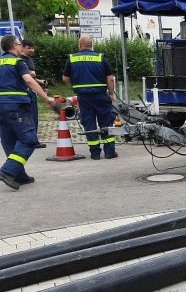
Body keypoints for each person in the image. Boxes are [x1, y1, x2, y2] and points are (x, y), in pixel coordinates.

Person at [0, 34, 56, 190]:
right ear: (13, 46)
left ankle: (19, 175)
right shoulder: (19, 62)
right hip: (16, 106)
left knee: (9, 140)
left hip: (1, 107)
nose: (20, 46)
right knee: (29, 139)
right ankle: (7, 171)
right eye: (19, 44)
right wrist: (46, 97)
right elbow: (29, 81)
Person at [62, 36, 118, 160]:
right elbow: (110, 78)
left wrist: (75, 87)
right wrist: (111, 93)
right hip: (100, 96)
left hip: (83, 97)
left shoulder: (72, 58)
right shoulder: (100, 57)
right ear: (91, 45)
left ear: (79, 45)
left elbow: (65, 78)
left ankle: (95, 153)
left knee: (89, 124)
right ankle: (109, 152)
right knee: (106, 122)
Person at [20, 40, 47, 149]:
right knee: (29, 117)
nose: (31, 50)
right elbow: (28, 78)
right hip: (26, 92)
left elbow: (32, 77)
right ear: (22, 47)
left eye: (32, 48)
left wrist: (40, 82)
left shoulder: (29, 59)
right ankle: (31, 141)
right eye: (29, 48)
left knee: (33, 117)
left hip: (31, 91)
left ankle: (32, 139)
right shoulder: (20, 60)